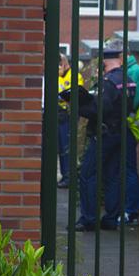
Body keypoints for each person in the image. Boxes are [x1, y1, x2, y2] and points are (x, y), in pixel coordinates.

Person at [72, 46, 135, 232]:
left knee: (88, 175)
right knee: (113, 176)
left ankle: (89, 219)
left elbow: (100, 110)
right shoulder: (128, 80)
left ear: (105, 62)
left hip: (104, 134)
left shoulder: (108, 82)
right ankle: (111, 219)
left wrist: (79, 106)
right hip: (121, 132)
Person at [121, 53, 139, 225]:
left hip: (131, 126)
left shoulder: (134, 71)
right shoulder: (130, 69)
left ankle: (132, 210)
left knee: (129, 169)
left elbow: (135, 100)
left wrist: (126, 117)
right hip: (129, 125)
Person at [57, 53, 84, 189]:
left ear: (64, 63)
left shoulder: (75, 76)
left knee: (66, 147)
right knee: (58, 148)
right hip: (56, 114)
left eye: (60, 64)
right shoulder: (57, 76)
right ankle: (64, 175)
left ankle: (69, 177)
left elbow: (77, 94)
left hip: (68, 115)